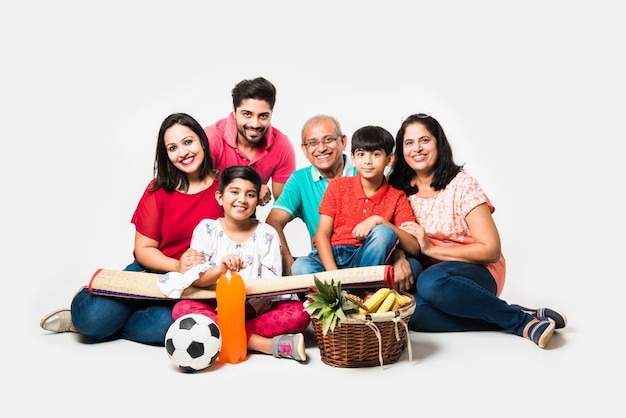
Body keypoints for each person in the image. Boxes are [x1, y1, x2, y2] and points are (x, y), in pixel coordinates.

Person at [40, 112, 224, 345]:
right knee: (91, 318)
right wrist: (177, 265)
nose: (183, 153)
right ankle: (89, 308)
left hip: (192, 285)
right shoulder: (158, 190)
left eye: (188, 142)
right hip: (151, 272)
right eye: (172, 148)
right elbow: (144, 249)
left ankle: (107, 325)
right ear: (166, 155)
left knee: (164, 327)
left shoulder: (225, 189)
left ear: (202, 142)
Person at [387, 113, 567, 349]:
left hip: (475, 272)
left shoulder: (461, 184)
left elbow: (490, 250)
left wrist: (430, 248)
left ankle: (520, 322)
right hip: (430, 283)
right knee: (412, 313)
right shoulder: (398, 191)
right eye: (409, 143)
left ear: (438, 143)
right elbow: (392, 234)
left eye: (425, 140)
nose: (417, 149)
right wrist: (399, 256)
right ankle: (516, 314)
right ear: (401, 151)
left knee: (432, 281)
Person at [171, 165, 311, 362]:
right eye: (234, 192)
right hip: (216, 307)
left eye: (250, 194)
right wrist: (221, 269)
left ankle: (219, 335)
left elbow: (270, 288)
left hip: (255, 310)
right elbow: (197, 279)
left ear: (258, 201)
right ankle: (266, 345)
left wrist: (239, 312)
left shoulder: (267, 234)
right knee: (182, 309)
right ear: (220, 197)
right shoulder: (207, 229)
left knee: (300, 314)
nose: (242, 200)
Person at [266, 114, 416, 288]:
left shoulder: (379, 181)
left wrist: (397, 253)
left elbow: (396, 238)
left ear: (343, 142)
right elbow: (277, 222)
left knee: (411, 264)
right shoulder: (325, 184)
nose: (367, 161)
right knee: (301, 267)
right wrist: (287, 260)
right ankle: (349, 292)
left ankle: (360, 290)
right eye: (313, 143)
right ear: (305, 150)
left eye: (328, 139)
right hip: (329, 256)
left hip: (368, 255)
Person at [205, 76, 295, 206]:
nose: (255, 124)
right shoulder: (211, 139)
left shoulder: (281, 145)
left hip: (244, 220)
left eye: (263, 116)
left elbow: (284, 204)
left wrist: (269, 227)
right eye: (247, 114)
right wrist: (252, 189)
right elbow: (192, 192)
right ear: (234, 111)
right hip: (205, 216)